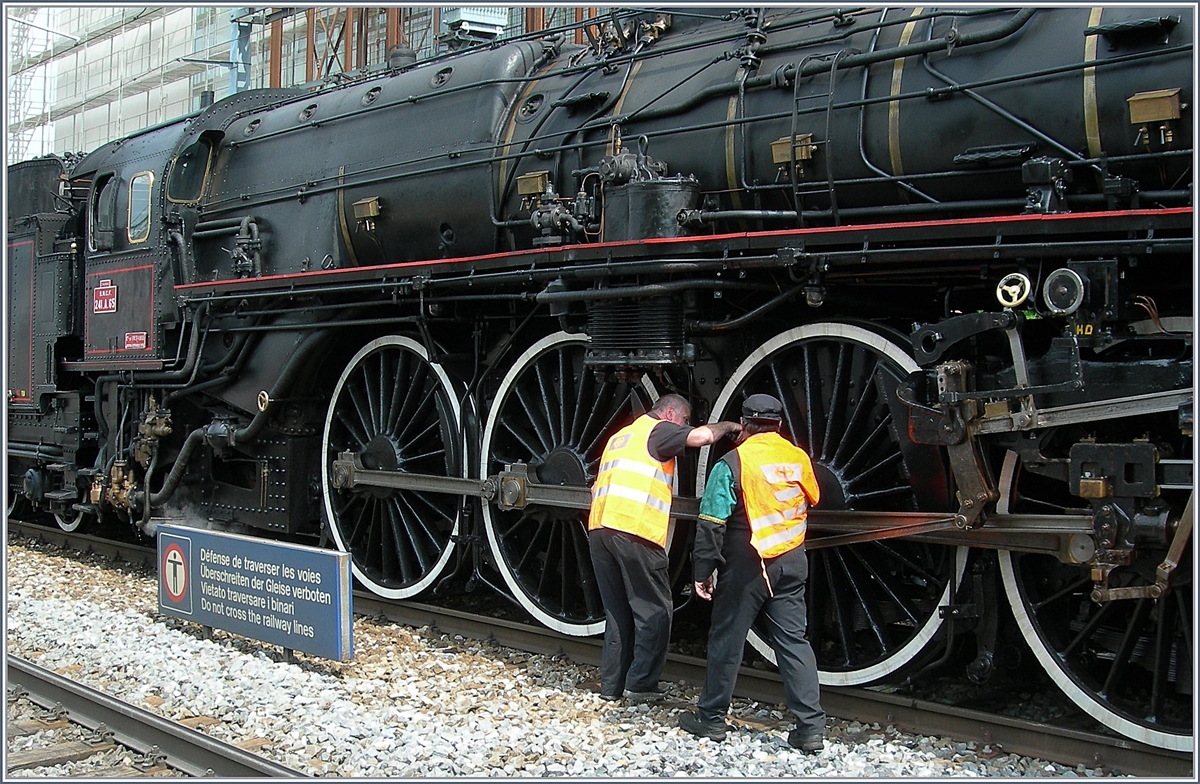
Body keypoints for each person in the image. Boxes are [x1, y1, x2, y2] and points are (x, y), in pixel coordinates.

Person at [678, 393, 826, 752]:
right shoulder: (798, 457)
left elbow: (711, 521)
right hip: (792, 560)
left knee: (728, 639)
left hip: (749, 564)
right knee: (793, 642)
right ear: (779, 425)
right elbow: (814, 496)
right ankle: (810, 728)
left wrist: (703, 569)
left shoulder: (734, 462)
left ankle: (711, 718)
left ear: (744, 424)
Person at [589, 393, 741, 703]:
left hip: (600, 530)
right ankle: (641, 686)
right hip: (635, 530)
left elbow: (595, 487)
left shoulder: (621, 436)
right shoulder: (658, 430)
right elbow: (701, 437)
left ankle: (612, 687)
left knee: (618, 613)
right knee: (655, 611)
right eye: (684, 420)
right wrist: (729, 426)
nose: (684, 426)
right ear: (670, 413)